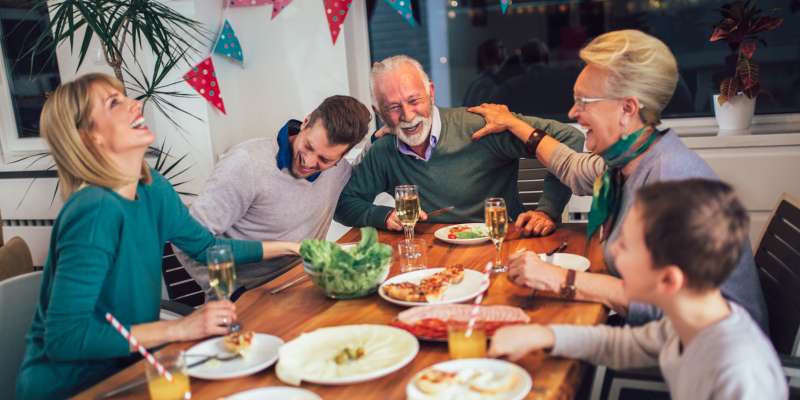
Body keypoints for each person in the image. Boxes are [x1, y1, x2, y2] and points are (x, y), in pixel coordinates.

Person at [16, 73, 298, 399]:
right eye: (114, 103)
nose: (135, 104)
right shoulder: (94, 211)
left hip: (133, 369)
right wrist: (179, 328)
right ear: (89, 137)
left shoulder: (152, 187)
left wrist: (292, 247)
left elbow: (207, 248)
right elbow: (65, 338)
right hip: (75, 387)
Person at [468, 30, 767, 329]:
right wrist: (514, 124)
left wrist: (562, 279)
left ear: (627, 109)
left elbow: (662, 308)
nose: (573, 113)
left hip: (701, 358)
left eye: (584, 102)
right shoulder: (629, 160)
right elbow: (572, 167)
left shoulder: (669, 181)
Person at [490, 179, 787, 399]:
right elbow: (622, 345)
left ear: (668, 280)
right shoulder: (685, 325)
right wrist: (544, 335)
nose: (613, 251)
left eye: (626, 245)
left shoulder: (739, 374)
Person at [334, 55, 585, 235]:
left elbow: (569, 137)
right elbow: (344, 205)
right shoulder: (383, 151)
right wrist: (384, 216)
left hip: (502, 243)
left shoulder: (483, 125)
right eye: (394, 107)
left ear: (431, 92)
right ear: (379, 111)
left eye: (414, 101)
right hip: (430, 259)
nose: (409, 116)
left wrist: (547, 211)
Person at [177, 95, 371, 290]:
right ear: (305, 122)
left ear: (341, 157)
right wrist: (227, 292)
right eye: (308, 147)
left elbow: (366, 175)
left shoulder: (339, 170)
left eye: (325, 159)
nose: (309, 162)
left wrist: (380, 139)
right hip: (248, 295)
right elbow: (186, 242)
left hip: (305, 284)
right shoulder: (246, 164)